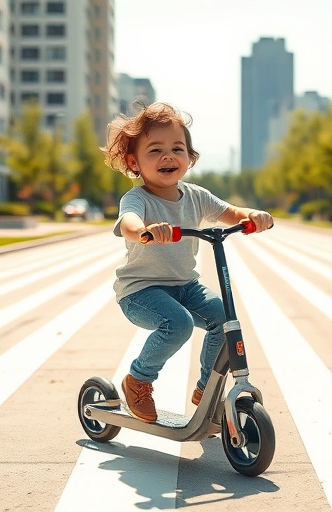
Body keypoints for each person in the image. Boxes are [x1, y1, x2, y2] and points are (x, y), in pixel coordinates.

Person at [101, 102, 273, 423]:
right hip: (141, 291)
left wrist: (251, 216)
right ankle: (138, 380)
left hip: (185, 287)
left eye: (177, 148)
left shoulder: (196, 196)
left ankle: (207, 387)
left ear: (189, 158)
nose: (168, 156)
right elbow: (129, 221)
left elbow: (230, 212)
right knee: (177, 324)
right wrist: (145, 231)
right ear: (133, 162)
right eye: (155, 150)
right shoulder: (138, 198)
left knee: (224, 318)